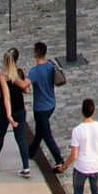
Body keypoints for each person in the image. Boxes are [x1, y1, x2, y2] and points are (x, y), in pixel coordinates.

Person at [22, 41, 65, 172]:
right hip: (51, 104)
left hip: (40, 108)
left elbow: (25, 85)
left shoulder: (34, 71)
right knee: (41, 130)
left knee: (46, 135)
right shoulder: (50, 65)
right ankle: (32, 151)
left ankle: (59, 160)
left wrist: (15, 78)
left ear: (36, 53)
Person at [0, 48, 29, 175]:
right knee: (21, 138)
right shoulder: (19, 73)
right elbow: (26, 90)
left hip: (5, 112)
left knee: (0, 134)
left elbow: (6, 97)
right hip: (20, 109)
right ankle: (26, 167)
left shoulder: (3, 76)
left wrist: (9, 115)